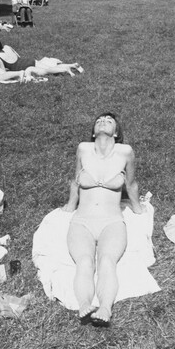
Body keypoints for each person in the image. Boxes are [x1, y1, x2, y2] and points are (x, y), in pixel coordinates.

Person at [62, 112, 144, 326]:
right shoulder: (83, 148)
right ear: (93, 131)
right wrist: (70, 206)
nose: (103, 120)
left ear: (116, 132)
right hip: (82, 221)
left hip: (112, 222)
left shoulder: (125, 152)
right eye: (99, 120)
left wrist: (138, 209)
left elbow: (131, 184)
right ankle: (84, 304)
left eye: (109, 120)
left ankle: (106, 307)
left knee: (107, 261)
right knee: (85, 261)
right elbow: (76, 180)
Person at [0, 38, 83, 77]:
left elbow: (3, 72)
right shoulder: (7, 46)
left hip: (24, 67)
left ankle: (65, 70)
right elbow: (18, 56)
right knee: (47, 67)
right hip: (27, 60)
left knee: (48, 70)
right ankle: (72, 65)